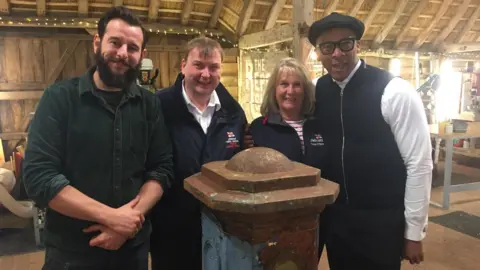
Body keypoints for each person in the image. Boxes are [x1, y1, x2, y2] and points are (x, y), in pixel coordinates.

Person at [22, 6, 173, 270]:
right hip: (71, 253)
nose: (122, 53)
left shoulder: (150, 105)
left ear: (142, 55)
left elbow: (161, 169)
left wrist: (128, 223)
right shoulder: (59, 99)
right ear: (97, 42)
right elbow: (39, 177)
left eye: (132, 48)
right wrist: (112, 218)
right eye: (115, 42)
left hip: (132, 251)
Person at [309, 12, 433, 269]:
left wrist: (414, 232)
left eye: (345, 44)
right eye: (327, 47)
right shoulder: (317, 90)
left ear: (358, 45)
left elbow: (419, 164)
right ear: (318, 52)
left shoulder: (394, 91)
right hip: (337, 220)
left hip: (382, 222)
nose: (337, 54)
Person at [150, 37, 247, 270]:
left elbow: (242, 158)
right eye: (199, 65)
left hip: (223, 227)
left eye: (213, 67)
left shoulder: (233, 112)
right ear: (183, 65)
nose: (206, 74)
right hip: (172, 229)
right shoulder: (158, 107)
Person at [247, 57, 328, 259]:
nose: (290, 91)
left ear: (305, 90)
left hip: (315, 218)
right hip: (274, 222)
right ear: (274, 89)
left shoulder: (319, 126)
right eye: (284, 84)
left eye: (296, 85)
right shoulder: (258, 129)